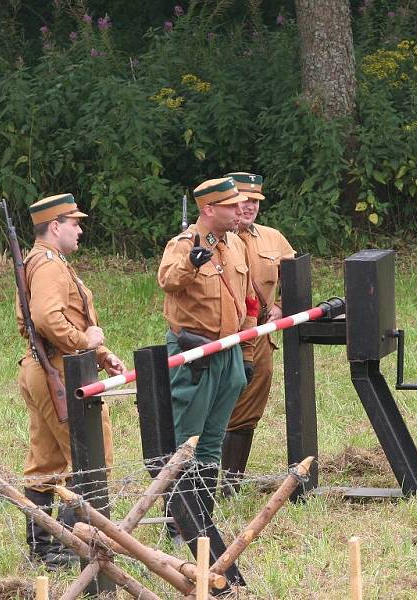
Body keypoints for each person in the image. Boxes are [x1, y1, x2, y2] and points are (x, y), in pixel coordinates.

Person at [16, 193, 126, 569]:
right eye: (74, 223)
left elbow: (64, 319)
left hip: (48, 366)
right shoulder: (48, 265)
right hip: (59, 370)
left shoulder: (48, 261)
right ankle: (69, 541)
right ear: (55, 226)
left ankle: (44, 549)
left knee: (45, 460)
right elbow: (48, 319)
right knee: (93, 453)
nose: (79, 229)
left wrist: (100, 354)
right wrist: (85, 343)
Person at [157, 176, 258, 531]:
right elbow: (167, 280)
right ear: (208, 209)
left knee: (213, 439)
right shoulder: (184, 245)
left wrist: (245, 354)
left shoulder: (236, 245)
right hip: (195, 354)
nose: (239, 211)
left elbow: (246, 301)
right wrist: (192, 263)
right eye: (231, 206)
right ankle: (178, 522)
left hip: (228, 352)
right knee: (187, 440)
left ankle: (202, 518)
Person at [220, 172, 295, 495]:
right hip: (222, 336)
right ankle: (201, 483)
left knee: (249, 409)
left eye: (254, 201)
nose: (248, 207)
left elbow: (296, 277)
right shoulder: (216, 239)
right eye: (242, 200)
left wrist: (280, 305)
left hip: (260, 336)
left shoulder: (272, 238)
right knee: (217, 406)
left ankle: (231, 484)